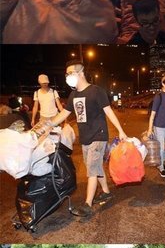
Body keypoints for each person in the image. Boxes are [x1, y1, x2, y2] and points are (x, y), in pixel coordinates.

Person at [39, 60, 128, 218]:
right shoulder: (74, 95)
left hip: (98, 136)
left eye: (69, 73)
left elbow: (109, 112)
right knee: (95, 166)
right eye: (66, 74)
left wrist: (121, 130)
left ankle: (88, 204)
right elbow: (64, 114)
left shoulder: (96, 91)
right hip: (85, 137)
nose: (67, 77)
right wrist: (48, 124)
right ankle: (106, 192)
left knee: (92, 169)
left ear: (80, 73)